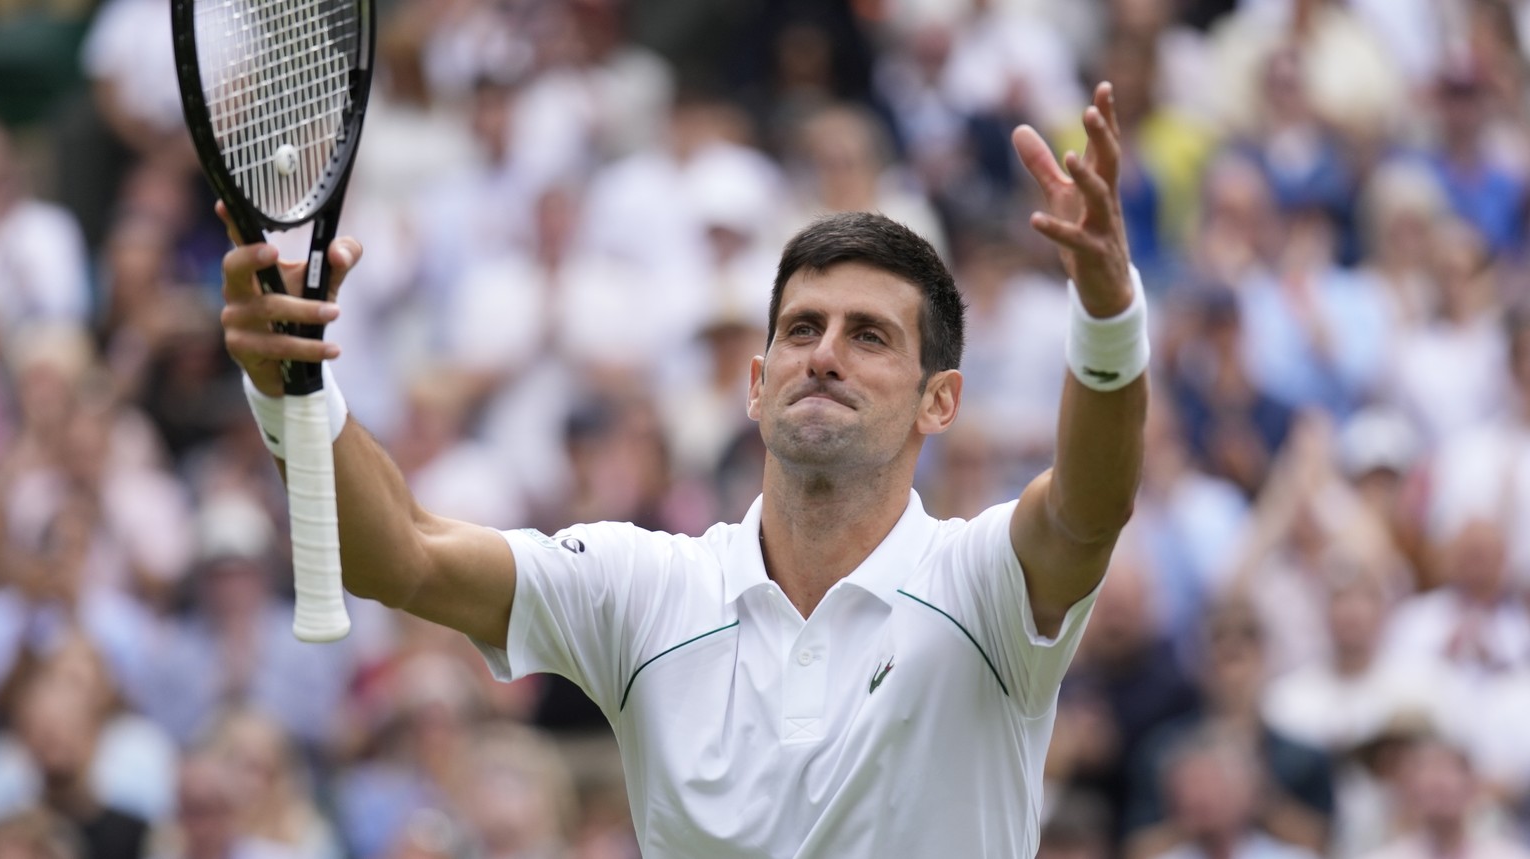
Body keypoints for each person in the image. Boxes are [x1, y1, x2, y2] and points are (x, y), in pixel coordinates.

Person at [214, 83, 1148, 857]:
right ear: (755, 384)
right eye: (800, 329)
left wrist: (1108, 315)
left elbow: (1087, 508)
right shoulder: (644, 587)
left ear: (938, 402)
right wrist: (290, 389)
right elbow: (400, 556)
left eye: (869, 336)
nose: (823, 354)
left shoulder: (983, 583)